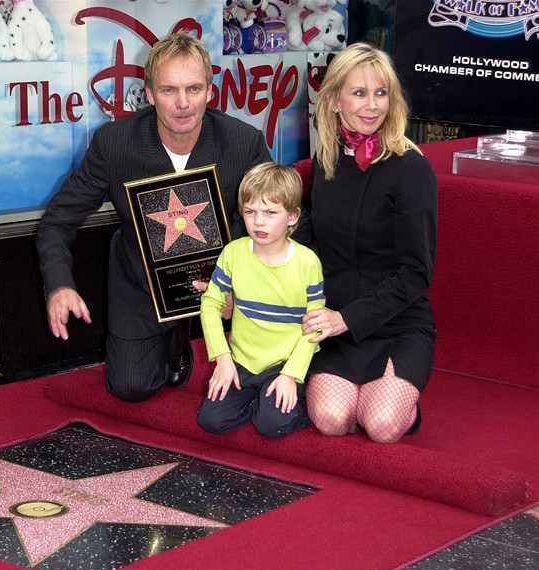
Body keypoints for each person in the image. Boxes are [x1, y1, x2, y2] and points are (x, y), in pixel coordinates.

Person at [36, 32, 272, 402]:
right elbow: (58, 220)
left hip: (224, 282)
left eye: (193, 89)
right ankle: (176, 337)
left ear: (210, 91)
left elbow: (280, 225)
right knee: (130, 387)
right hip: (141, 282)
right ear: (148, 94)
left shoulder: (244, 142)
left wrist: (245, 291)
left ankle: (194, 331)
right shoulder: (114, 144)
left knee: (250, 385)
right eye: (168, 91)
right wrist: (59, 285)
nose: (182, 103)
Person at [299, 42, 438, 443]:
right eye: (359, 93)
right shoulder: (326, 161)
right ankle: (363, 393)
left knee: (381, 425)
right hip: (335, 322)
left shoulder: (411, 169)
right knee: (330, 419)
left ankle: (397, 404)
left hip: (397, 321)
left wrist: (348, 319)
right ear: (334, 100)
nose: (372, 105)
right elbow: (308, 247)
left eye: (381, 93)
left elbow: (416, 273)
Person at [197, 162, 325, 439]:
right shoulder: (233, 253)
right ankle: (259, 403)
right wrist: (222, 358)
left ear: (292, 216)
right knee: (211, 421)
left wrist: (291, 374)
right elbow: (210, 305)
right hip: (241, 361)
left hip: (284, 361)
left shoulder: (307, 262)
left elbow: (314, 325)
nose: (258, 222)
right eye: (250, 212)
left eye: (270, 213)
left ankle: (300, 402)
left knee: (271, 425)